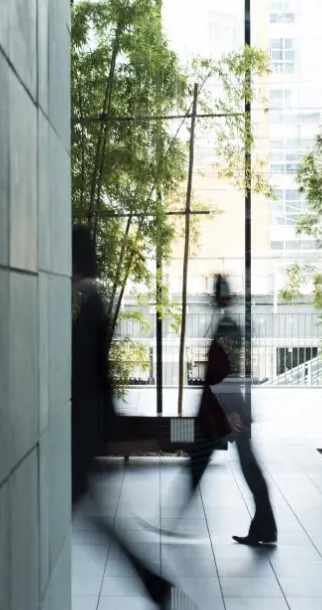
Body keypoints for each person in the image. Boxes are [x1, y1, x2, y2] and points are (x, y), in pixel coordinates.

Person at [69, 225, 178, 608]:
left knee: (91, 519)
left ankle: (154, 582)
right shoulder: (93, 305)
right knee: (96, 520)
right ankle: (154, 583)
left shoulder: (92, 309)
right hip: (87, 431)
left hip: (82, 433)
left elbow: (89, 377)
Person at [183, 275, 277, 546]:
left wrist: (230, 412)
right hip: (225, 408)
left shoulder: (228, 327)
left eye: (214, 294)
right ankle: (265, 528)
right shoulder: (228, 324)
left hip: (225, 410)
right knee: (240, 464)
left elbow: (227, 371)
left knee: (243, 465)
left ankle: (265, 527)